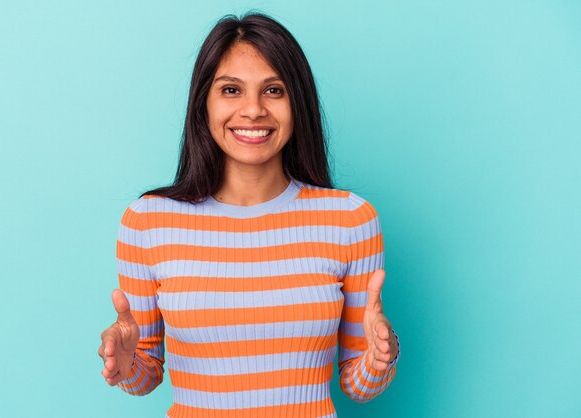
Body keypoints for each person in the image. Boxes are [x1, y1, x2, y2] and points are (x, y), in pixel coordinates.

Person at [98, 11, 400, 417]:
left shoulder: (349, 220)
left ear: (299, 102)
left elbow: (356, 385)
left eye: (273, 90)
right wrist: (129, 360)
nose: (253, 110)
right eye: (231, 90)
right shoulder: (148, 222)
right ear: (203, 101)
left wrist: (380, 360)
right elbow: (145, 376)